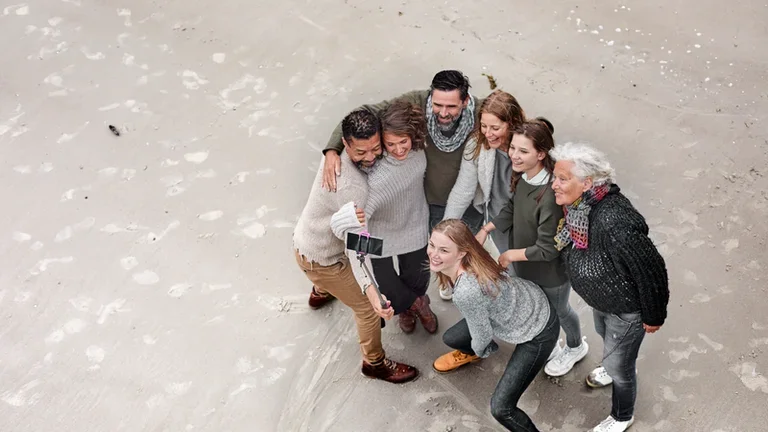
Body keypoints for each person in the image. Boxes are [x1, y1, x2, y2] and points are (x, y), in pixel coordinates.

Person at [549, 142, 670, 432]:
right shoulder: (580, 206)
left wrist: (654, 315)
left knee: (621, 368)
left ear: (587, 182)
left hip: (626, 310)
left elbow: (650, 269)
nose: (554, 184)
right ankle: (615, 362)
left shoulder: (614, 221)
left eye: (562, 179)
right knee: (606, 337)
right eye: (555, 176)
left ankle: (621, 416)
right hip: (604, 301)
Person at [292, 109, 419, 383]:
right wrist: (373, 295)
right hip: (326, 258)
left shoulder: (333, 157)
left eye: (376, 148)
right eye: (361, 152)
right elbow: (355, 249)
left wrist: (330, 149)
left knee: (325, 277)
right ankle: (374, 363)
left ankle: (320, 292)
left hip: (305, 240)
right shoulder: (351, 187)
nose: (371, 158)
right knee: (366, 310)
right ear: (346, 144)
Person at [475, 120, 589, 377]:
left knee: (559, 310)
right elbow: (512, 208)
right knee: (537, 307)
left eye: (523, 151)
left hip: (550, 272)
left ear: (541, 154)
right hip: (525, 264)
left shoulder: (550, 195)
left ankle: (574, 346)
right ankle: (550, 343)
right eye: (513, 148)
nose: (514, 155)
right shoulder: (524, 176)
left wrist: (509, 255)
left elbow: (548, 249)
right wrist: (487, 228)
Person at [429, 219, 558, 432]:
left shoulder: (465, 292)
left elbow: (482, 335)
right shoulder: (474, 255)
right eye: (432, 245)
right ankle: (469, 353)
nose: (434, 254)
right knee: (451, 338)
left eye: (443, 250)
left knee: (501, 408)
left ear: (461, 253)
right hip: (528, 300)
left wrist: (483, 350)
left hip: (538, 332)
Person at [320, 70, 485, 234]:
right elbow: (364, 114)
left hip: (469, 207)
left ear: (465, 101)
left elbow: (507, 120)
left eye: (451, 106)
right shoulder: (415, 102)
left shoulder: (482, 113)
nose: (443, 113)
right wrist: (332, 150)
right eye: (437, 105)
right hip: (432, 202)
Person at [329, 100, 438, 334]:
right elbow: (358, 225)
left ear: (412, 135)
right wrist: (331, 150)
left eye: (403, 142)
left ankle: (413, 304)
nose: (398, 150)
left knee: (419, 277)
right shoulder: (374, 181)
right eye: (390, 144)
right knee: (387, 286)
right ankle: (415, 305)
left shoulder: (419, 150)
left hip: (414, 222)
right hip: (378, 231)